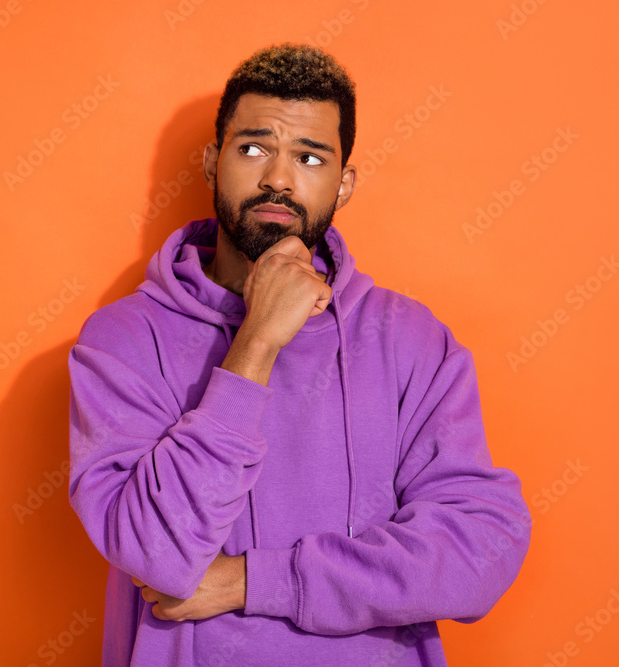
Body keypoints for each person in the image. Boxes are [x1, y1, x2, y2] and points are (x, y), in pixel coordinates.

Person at [67, 43, 530, 666]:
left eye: (310, 157)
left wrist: (250, 581)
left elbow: (480, 552)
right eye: (253, 149)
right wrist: (257, 342)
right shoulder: (122, 341)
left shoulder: (410, 338)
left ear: (345, 183)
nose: (278, 179)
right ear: (211, 161)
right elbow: (155, 552)